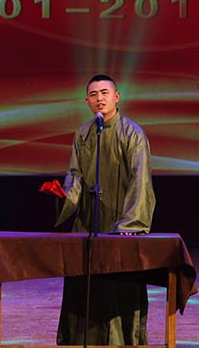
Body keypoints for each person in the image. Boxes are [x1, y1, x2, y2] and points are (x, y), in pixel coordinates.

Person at [44, 74, 156, 345]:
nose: (99, 98)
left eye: (104, 93)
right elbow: (75, 174)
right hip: (88, 221)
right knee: (86, 285)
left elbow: (140, 180)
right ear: (87, 101)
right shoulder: (83, 133)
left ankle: (122, 340)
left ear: (116, 97)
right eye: (93, 94)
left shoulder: (132, 133)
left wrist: (131, 223)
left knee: (118, 285)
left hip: (120, 223)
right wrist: (66, 195)